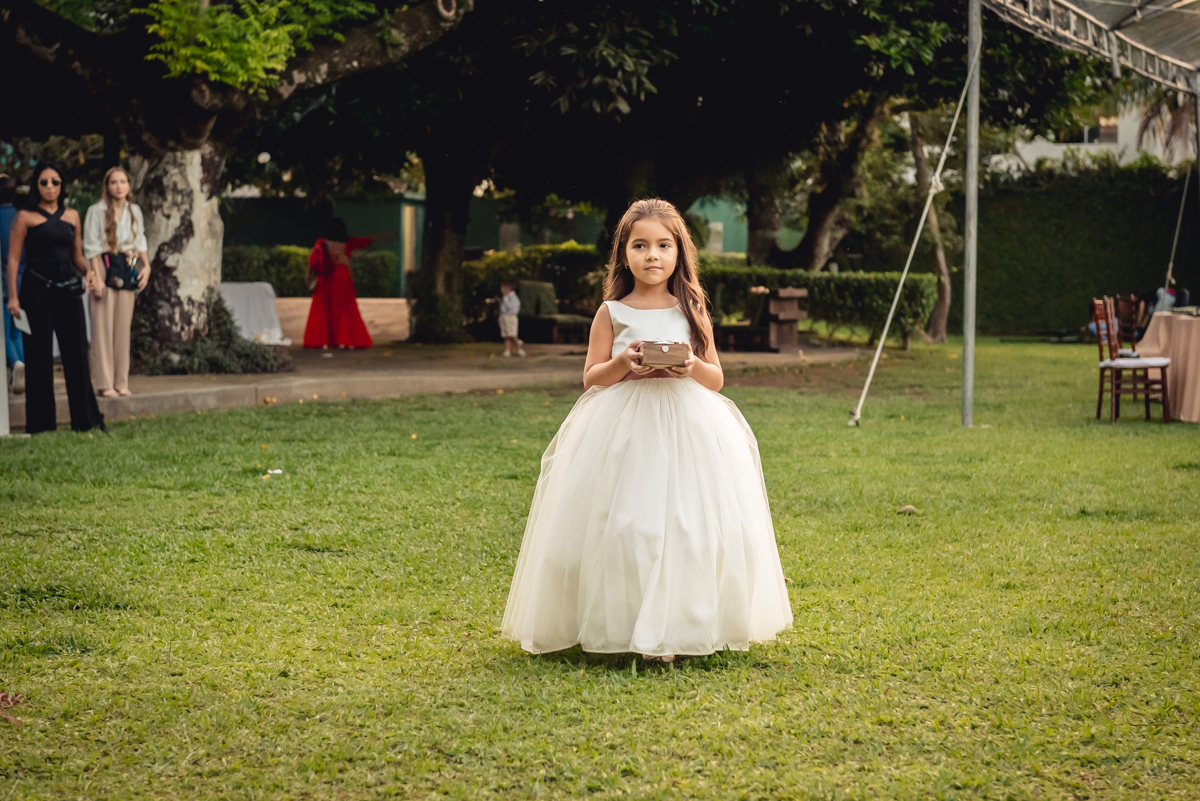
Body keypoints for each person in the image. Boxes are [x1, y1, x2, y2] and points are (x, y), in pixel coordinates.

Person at [501, 198, 792, 662]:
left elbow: (717, 377)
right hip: (623, 428)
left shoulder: (691, 307)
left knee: (686, 526)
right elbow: (591, 377)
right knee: (626, 525)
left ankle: (677, 629)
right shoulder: (612, 312)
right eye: (640, 245)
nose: (652, 255)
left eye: (662, 245)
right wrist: (623, 362)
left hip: (687, 425)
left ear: (679, 252)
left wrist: (690, 365)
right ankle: (621, 624)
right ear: (623, 254)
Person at [5, 162, 104, 433]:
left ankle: (86, 421)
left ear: (63, 186)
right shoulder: (24, 216)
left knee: (76, 353)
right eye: (44, 182)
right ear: (36, 186)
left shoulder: (72, 215)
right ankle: (41, 424)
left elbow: (77, 255)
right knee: (38, 357)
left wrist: (89, 273)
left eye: (55, 182)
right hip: (36, 291)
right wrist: (13, 297)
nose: (50, 187)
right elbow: (14, 260)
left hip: (68, 289)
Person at [83, 166, 150, 398]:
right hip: (103, 263)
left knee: (123, 326)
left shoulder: (134, 211)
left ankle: (122, 381)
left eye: (123, 182)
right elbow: (90, 246)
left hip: (128, 265)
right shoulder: (96, 211)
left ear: (129, 185)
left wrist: (146, 266)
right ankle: (104, 382)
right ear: (107, 186)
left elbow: (140, 241)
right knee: (102, 325)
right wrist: (96, 277)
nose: (118, 186)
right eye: (114, 182)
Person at [303, 218, 374, 350]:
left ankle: (320, 340)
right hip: (342, 276)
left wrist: (309, 276)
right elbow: (365, 241)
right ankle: (346, 340)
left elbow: (313, 261)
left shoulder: (322, 242)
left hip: (326, 277)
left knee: (322, 309)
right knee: (346, 309)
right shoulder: (348, 243)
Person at [1, 173, 25, 394]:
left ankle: (15, 364)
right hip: (21, 281)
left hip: (3, 285)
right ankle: (23, 365)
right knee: (17, 330)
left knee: (2, 331)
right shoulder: (21, 216)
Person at [498, 280, 525, 357]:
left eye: (503, 288)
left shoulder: (513, 298)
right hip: (504, 317)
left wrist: (506, 300)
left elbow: (512, 308)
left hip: (511, 317)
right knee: (506, 335)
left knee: (512, 334)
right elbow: (502, 310)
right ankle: (507, 350)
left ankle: (519, 349)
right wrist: (499, 319)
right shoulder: (504, 298)